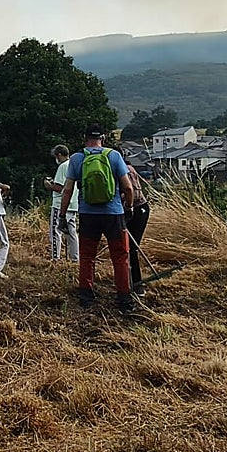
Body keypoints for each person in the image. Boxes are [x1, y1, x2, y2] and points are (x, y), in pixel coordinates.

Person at [57, 123, 137, 314]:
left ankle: (86, 295)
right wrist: (130, 206)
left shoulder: (77, 158)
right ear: (104, 137)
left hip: (88, 214)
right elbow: (128, 188)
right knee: (120, 257)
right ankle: (124, 298)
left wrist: (62, 214)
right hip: (113, 214)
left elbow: (67, 190)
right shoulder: (113, 156)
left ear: (85, 138)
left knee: (87, 256)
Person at [118, 146, 151, 292]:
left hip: (138, 210)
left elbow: (132, 192)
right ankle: (130, 280)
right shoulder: (124, 168)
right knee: (128, 247)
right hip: (135, 209)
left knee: (131, 248)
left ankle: (137, 284)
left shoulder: (126, 170)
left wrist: (127, 206)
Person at [44, 144, 79, 262]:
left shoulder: (63, 166)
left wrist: (49, 186)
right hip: (73, 203)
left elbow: (59, 187)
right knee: (71, 232)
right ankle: (75, 258)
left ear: (59, 155)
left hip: (60, 204)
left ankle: (56, 258)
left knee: (55, 231)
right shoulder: (73, 165)